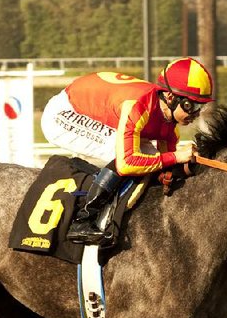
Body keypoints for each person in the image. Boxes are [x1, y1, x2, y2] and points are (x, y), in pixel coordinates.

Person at [41, 57, 214, 244]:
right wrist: (176, 156)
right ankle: (83, 220)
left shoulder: (168, 123)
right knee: (123, 155)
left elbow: (166, 164)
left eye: (200, 106)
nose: (195, 114)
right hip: (66, 112)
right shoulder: (139, 106)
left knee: (151, 160)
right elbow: (127, 164)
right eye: (192, 106)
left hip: (97, 104)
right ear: (170, 97)